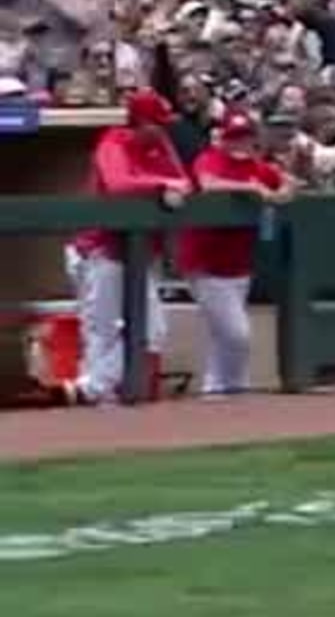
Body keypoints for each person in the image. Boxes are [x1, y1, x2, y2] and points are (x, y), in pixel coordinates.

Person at [64, 88, 192, 405]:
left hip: (136, 254)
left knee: (153, 330)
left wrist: (169, 184)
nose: (163, 129)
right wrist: (160, 185)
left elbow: (183, 180)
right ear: (140, 122)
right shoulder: (114, 141)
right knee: (102, 328)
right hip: (97, 249)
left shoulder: (160, 143)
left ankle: (89, 389)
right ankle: (98, 395)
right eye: (157, 123)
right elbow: (119, 184)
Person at [177, 108, 295, 398]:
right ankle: (234, 386)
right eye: (234, 138)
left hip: (238, 262)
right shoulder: (210, 159)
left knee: (223, 334)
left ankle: (216, 389)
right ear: (224, 139)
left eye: (244, 137)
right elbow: (208, 184)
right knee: (236, 332)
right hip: (203, 260)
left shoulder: (257, 166)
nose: (239, 144)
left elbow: (288, 186)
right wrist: (251, 188)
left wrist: (282, 189)